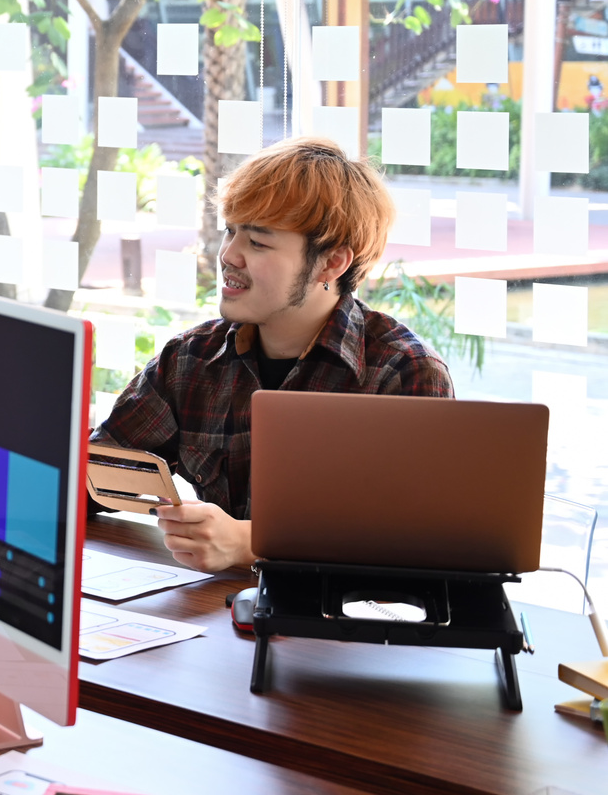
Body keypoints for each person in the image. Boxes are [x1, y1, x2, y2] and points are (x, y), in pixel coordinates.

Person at [92, 137, 454, 573]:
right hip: (216, 618)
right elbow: (98, 475)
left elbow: (421, 542)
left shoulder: (404, 374)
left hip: (343, 634)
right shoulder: (191, 360)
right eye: (231, 231)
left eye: (259, 243)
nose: (228, 255)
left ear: (331, 263)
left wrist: (256, 543)